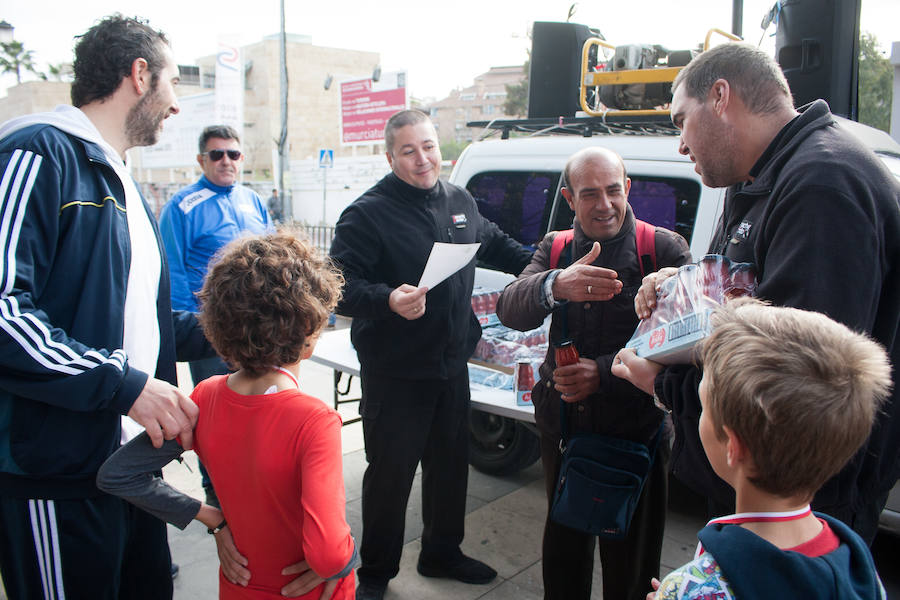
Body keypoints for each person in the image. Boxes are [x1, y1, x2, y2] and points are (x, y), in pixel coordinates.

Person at [612, 42, 900, 545]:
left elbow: (794, 380)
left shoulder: (821, 185)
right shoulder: (759, 177)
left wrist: (660, 386)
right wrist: (676, 286)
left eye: (681, 120)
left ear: (720, 96)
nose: (680, 144)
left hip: (804, 496)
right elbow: (735, 287)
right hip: (758, 476)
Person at [0, 14, 214, 599]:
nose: (176, 106)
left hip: (131, 471)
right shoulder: (37, 152)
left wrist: (236, 331)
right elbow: (4, 312)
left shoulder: (124, 181)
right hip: (57, 476)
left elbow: (137, 326)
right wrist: (125, 386)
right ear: (139, 75)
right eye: (172, 82)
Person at [328, 109, 533, 600]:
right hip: (396, 373)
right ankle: (375, 574)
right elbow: (336, 288)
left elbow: (499, 246)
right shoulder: (366, 214)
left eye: (428, 146)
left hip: (450, 366)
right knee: (390, 478)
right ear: (390, 156)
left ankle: (442, 552)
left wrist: (546, 269)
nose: (423, 159)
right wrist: (387, 300)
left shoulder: (459, 200)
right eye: (408, 150)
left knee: (449, 468)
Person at [98, 231, 357, 599]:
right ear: (309, 332)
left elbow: (118, 474)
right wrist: (347, 559)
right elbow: (329, 554)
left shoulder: (205, 397)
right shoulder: (314, 421)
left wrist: (213, 519)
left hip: (240, 584)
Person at [495, 147, 691, 600]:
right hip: (565, 429)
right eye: (589, 194)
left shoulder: (663, 248)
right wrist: (553, 284)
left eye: (612, 190)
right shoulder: (555, 247)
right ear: (569, 198)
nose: (604, 204)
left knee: (632, 563)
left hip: (636, 432)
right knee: (564, 553)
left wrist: (602, 372)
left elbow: (688, 342)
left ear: (628, 188)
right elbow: (509, 307)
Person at [649, 298, 891, 600]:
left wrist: (681, 592)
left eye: (704, 407)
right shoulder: (857, 562)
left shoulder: (693, 588)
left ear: (733, 446)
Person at [158, 125, 271, 507]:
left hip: (258, 332)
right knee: (216, 418)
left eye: (233, 154)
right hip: (209, 333)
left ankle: (256, 488)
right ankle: (219, 496)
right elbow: (171, 269)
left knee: (261, 410)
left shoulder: (254, 200)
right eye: (216, 154)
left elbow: (270, 260)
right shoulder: (182, 206)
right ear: (201, 160)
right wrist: (191, 326)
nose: (226, 161)